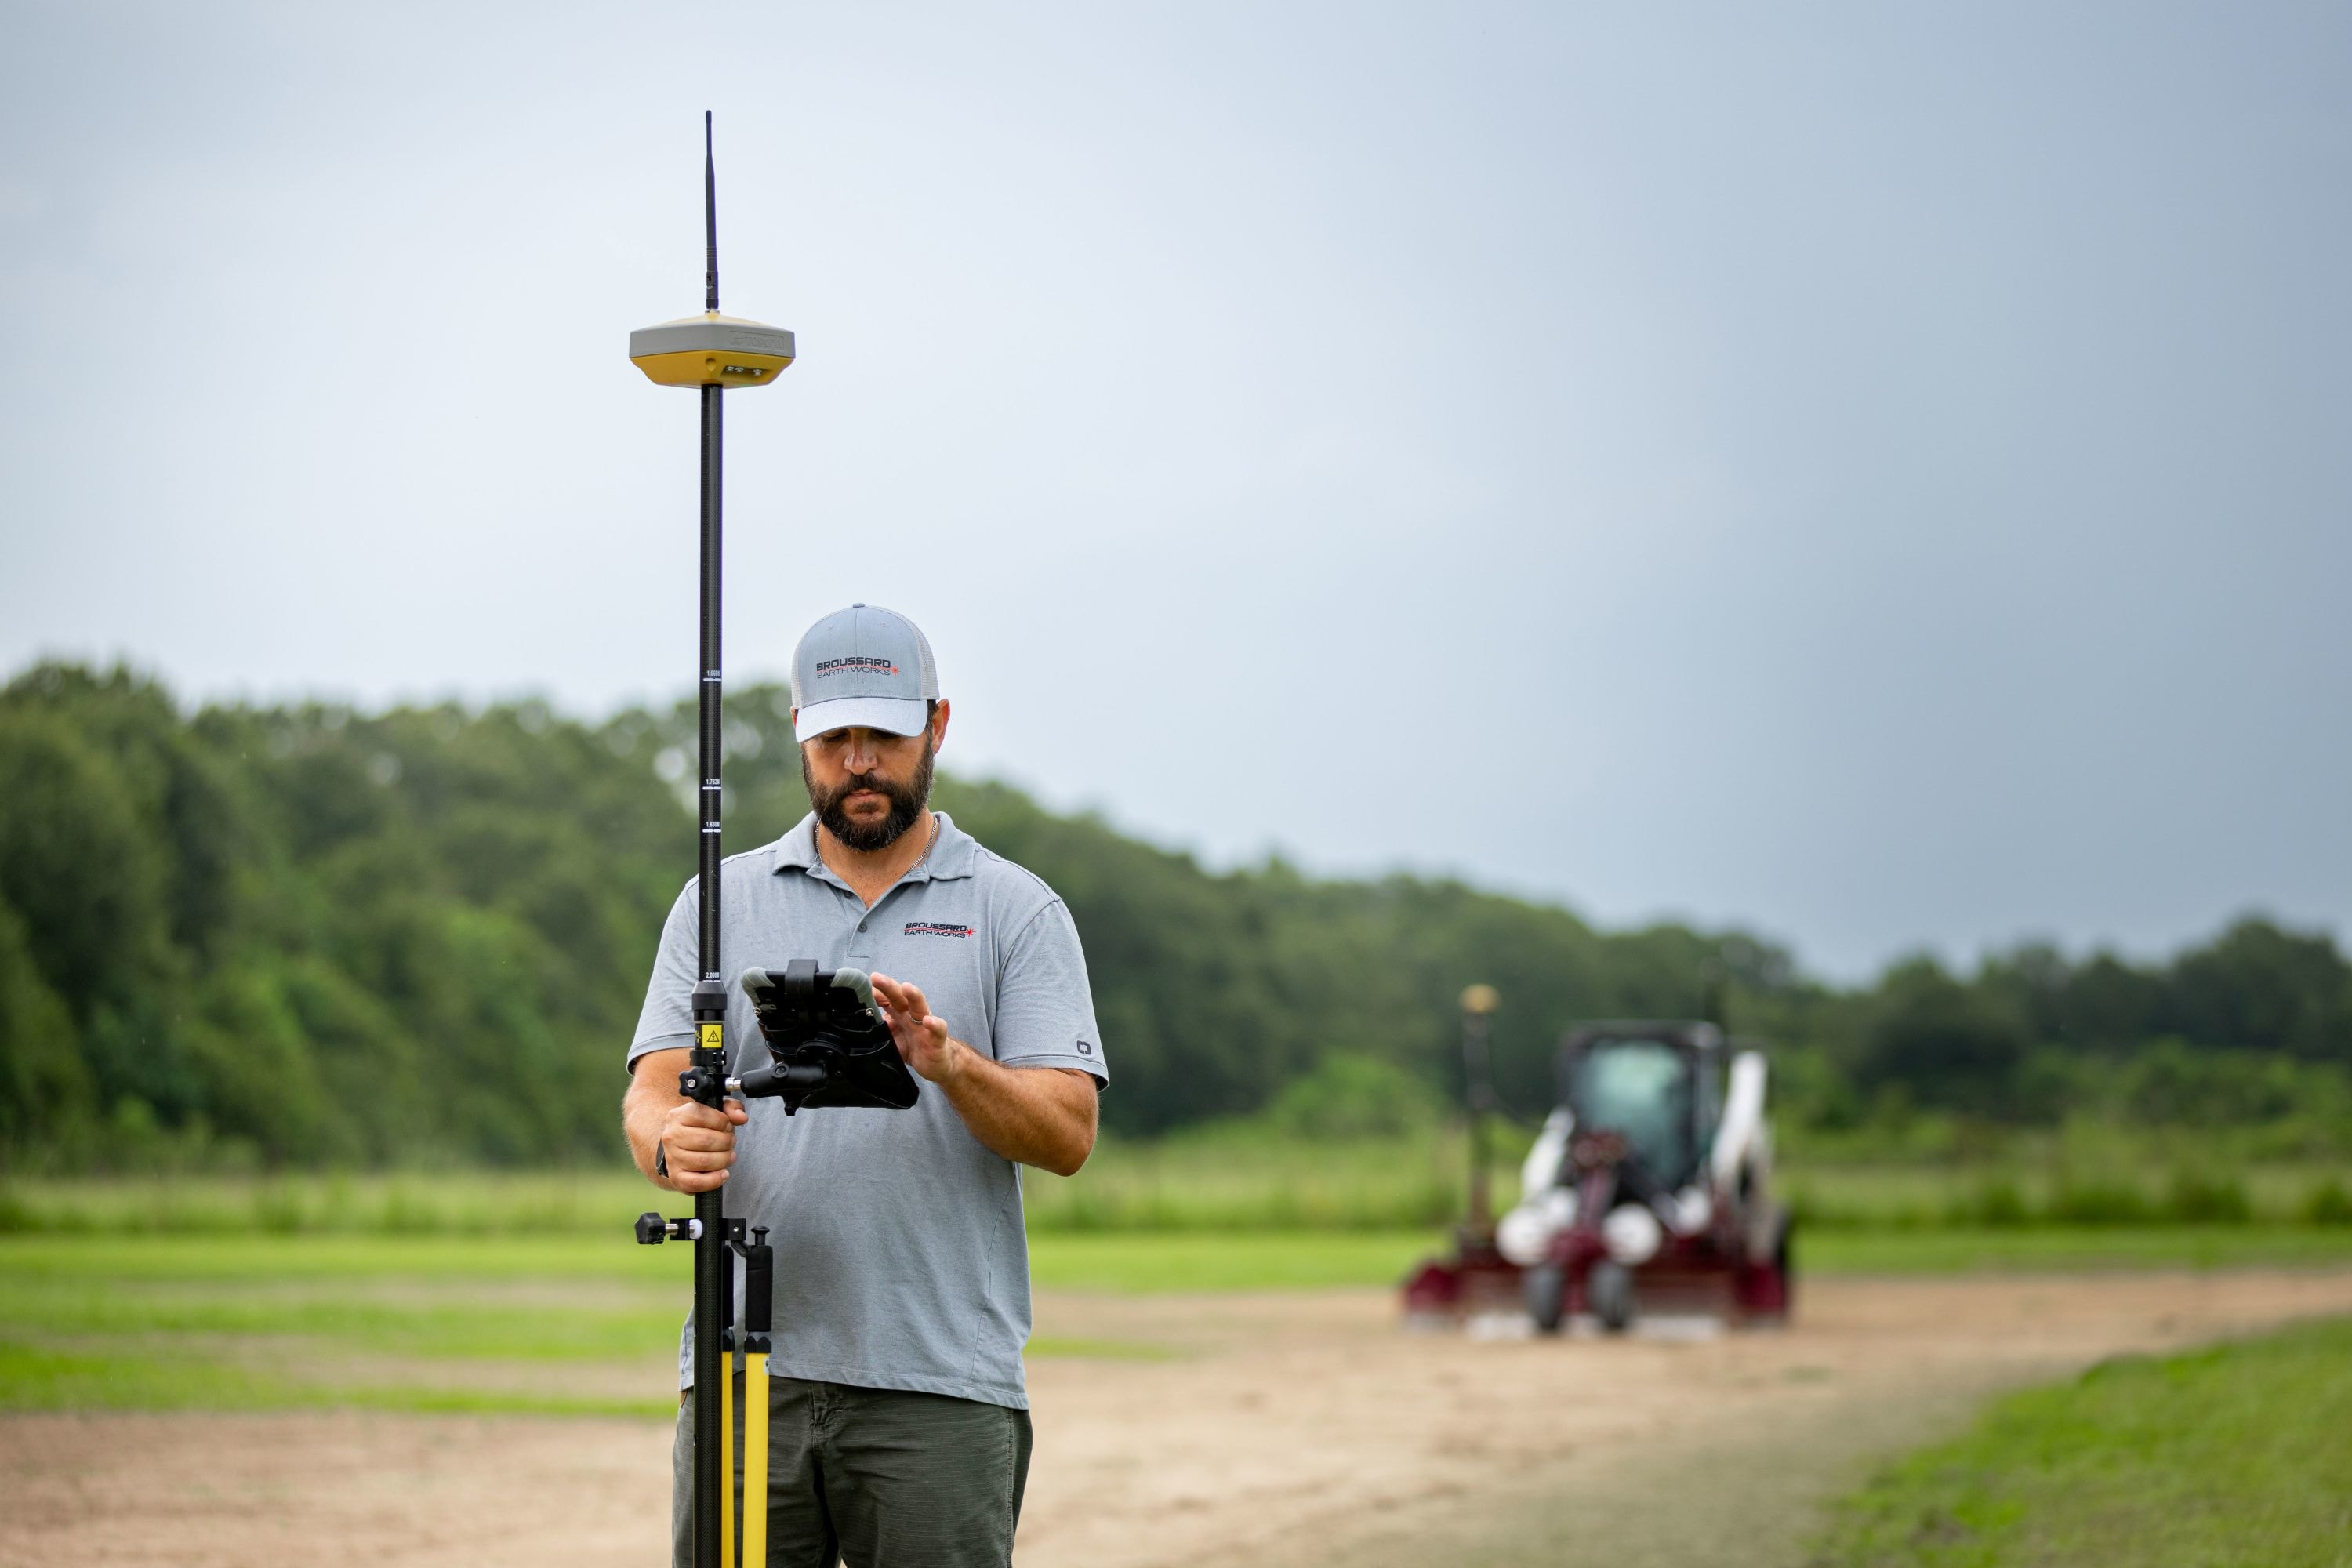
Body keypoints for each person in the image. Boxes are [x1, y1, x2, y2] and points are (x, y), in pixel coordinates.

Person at [621, 603, 1105, 1568]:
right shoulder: (720, 898)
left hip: (940, 1384)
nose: (858, 760)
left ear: (937, 724)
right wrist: (675, 1143)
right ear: (801, 732)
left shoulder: (1017, 908)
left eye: (882, 733)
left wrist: (949, 1062)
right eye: (833, 735)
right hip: (746, 1369)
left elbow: (1069, 1134)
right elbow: (653, 1094)